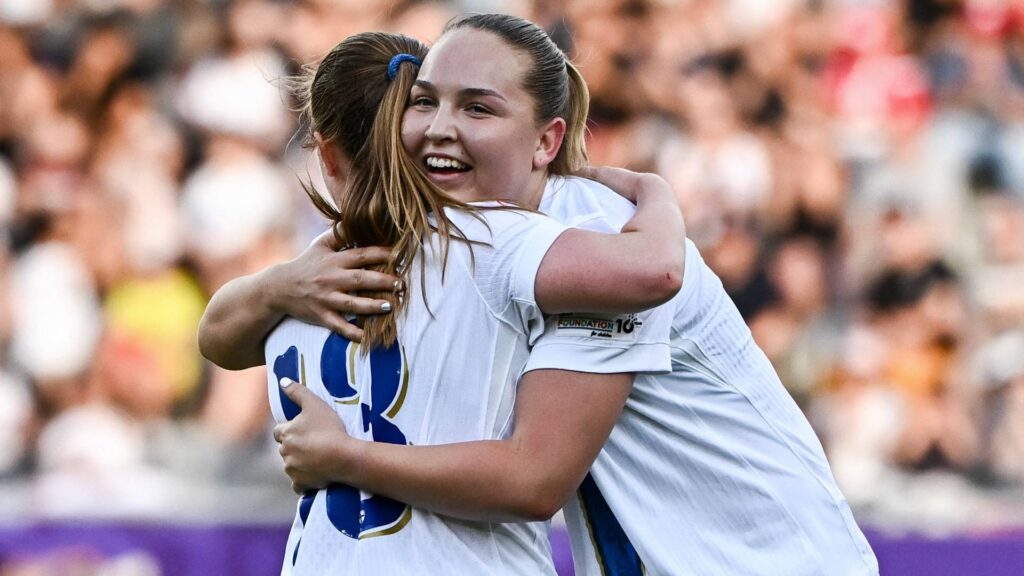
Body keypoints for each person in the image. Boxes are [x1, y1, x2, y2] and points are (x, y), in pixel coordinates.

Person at [204, 14, 879, 576]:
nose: (439, 127)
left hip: (770, 560)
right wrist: (276, 285)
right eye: (427, 101)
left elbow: (534, 477)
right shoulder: (439, 241)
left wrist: (657, 196)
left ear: (546, 140)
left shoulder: (592, 238)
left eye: (477, 107)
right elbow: (219, 336)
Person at [200, 26, 685, 575]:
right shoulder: (494, 241)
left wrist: (274, 286)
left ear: (327, 154)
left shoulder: (306, 275)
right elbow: (655, 271)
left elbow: (215, 339)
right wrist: (656, 194)